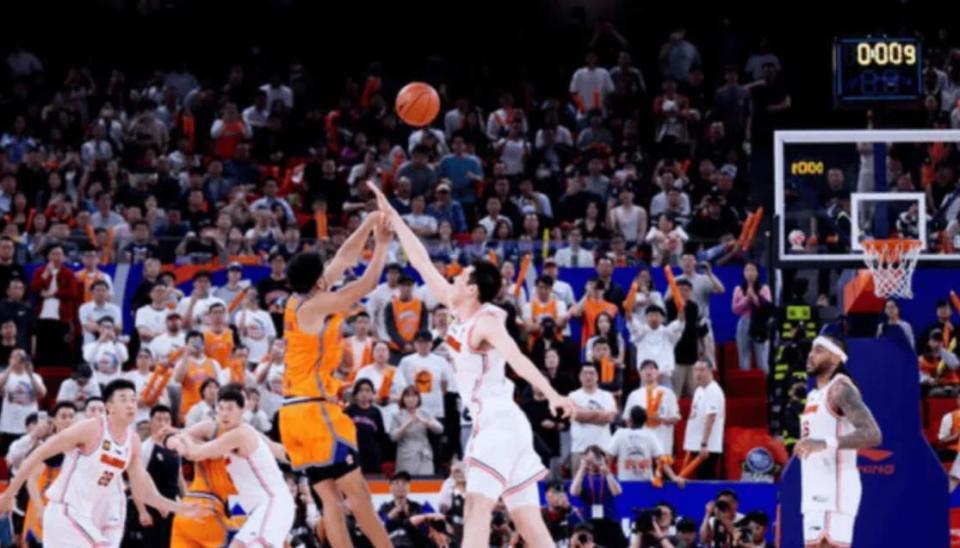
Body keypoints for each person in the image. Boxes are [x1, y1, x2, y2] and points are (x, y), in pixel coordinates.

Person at [370, 181, 575, 548]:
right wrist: (394, 216)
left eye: (462, 275)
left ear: (473, 289)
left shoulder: (487, 322)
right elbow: (420, 260)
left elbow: (517, 358)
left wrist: (552, 394)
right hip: (502, 425)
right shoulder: (457, 307)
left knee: (477, 507)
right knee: (530, 525)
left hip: (498, 422)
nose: (454, 276)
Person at [280, 212, 393, 548]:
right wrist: (382, 245)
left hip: (292, 416)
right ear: (317, 282)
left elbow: (343, 258)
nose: (327, 275)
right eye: (323, 275)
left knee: (330, 498)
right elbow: (365, 285)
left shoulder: (297, 300)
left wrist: (368, 223)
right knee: (358, 496)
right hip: (314, 412)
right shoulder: (315, 306)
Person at [0, 380, 206, 546]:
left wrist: (180, 508)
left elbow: (143, 491)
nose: (130, 404)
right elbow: (38, 454)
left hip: (91, 516)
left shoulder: (132, 440)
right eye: (123, 399)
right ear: (109, 407)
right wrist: (9, 495)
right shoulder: (92, 428)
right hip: (66, 512)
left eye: (133, 399)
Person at [169, 384, 294, 547]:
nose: (224, 414)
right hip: (249, 504)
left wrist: (183, 438)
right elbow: (182, 440)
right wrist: (177, 438)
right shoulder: (212, 427)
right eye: (221, 408)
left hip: (271, 502)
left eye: (230, 408)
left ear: (243, 409)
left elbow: (195, 452)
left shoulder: (241, 433)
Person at [795, 335, 883, 547]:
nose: (811, 355)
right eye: (811, 350)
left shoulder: (840, 388)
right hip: (813, 491)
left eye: (819, 350)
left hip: (834, 493)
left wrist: (825, 443)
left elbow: (872, 434)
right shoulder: (814, 395)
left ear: (836, 358)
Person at [21, 401, 76, 546]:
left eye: (71, 416)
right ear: (54, 421)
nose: (68, 420)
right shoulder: (50, 446)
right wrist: (41, 510)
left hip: (70, 508)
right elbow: (31, 482)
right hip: (45, 504)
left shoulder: (81, 446)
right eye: (63, 416)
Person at [134, 405, 182, 548]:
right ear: (150, 422)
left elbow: (179, 477)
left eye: (166, 420)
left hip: (172, 504)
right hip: (152, 506)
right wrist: (142, 511)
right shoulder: (145, 447)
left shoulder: (175, 447)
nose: (163, 424)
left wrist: (186, 500)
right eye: (159, 419)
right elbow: (136, 480)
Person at [31, 243, 81, 366]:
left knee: (61, 348)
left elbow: (73, 292)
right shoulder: (40, 271)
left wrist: (54, 294)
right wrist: (46, 274)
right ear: (48, 256)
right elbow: (34, 288)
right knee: (43, 347)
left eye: (59, 254)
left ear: (63, 257)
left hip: (62, 318)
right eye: (53, 254)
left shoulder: (68, 273)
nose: (56, 257)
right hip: (42, 316)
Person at [607, 406, 685, 485]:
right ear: (645, 421)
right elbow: (661, 459)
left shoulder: (620, 434)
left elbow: (609, 456)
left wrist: (606, 475)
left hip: (625, 484)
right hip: (646, 485)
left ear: (630, 420)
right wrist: (673, 477)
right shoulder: (650, 434)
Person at [622, 359, 681, 457]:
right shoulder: (634, 395)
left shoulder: (668, 393)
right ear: (640, 373)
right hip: (641, 447)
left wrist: (660, 419)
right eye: (645, 369)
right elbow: (627, 419)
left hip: (662, 444)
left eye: (651, 368)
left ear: (657, 372)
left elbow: (675, 418)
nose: (648, 372)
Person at [570, 445, 625, 548]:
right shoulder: (583, 477)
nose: (593, 462)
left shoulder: (609, 476)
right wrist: (582, 468)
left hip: (609, 521)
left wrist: (607, 471)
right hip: (588, 523)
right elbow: (574, 491)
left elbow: (617, 492)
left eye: (596, 458)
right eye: (589, 459)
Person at [569, 363, 618, 472]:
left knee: (605, 482)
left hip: (603, 449)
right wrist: (599, 414)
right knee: (577, 483)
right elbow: (576, 415)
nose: (588, 376)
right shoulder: (573, 396)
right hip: (579, 449)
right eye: (585, 373)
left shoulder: (607, 395)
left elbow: (610, 418)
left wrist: (584, 414)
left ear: (597, 377)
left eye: (592, 373)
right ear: (580, 377)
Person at [682, 360, 727, 480]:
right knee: (699, 476)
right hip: (697, 443)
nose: (698, 373)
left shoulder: (713, 390)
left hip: (708, 446)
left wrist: (704, 443)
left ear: (710, 371)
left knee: (706, 477)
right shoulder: (699, 390)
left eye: (702, 370)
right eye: (696, 370)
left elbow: (711, 417)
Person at [172, 330, 227, 423]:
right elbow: (177, 379)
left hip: (210, 411)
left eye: (198, 342)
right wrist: (186, 354)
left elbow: (221, 387)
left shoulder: (213, 363)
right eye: (192, 343)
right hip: (189, 410)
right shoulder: (182, 363)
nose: (196, 345)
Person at [390, 385, 444, 476]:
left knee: (426, 481)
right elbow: (393, 437)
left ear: (418, 398)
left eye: (414, 396)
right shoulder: (397, 415)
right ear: (403, 399)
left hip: (424, 454)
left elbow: (440, 429)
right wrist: (407, 423)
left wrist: (426, 422)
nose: (411, 399)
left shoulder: (424, 413)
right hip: (406, 455)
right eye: (407, 396)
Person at [0, 350, 46, 455]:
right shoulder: (4, 375)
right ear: (10, 359)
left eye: (21, 357)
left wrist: (30, 374)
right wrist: (10, 367)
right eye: (14, 357)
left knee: (28, 456)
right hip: (9, 425)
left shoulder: (35, 376)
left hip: (29, 426)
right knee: (8, 456)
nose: (18, 360)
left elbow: (42, 393)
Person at [628, 304, 685, 386]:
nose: (654, 318)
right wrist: (628, 311)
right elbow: (631, 322)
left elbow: (680, 323)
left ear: (663, 318)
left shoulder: (668, 333)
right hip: (646, 381)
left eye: (657, 315)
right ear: (646, 318)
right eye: (651, 315)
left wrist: (681, 311)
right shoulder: (641, 333)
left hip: (664, 380)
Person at [732, 262, 773, 373]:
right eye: (747, 270)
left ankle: (764, 381)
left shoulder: (764, 288)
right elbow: (735, 309)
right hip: (744, 323)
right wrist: (746, 299)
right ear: (744, 273)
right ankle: (746, 381)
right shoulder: (738, 289)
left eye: (752, 270)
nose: (750, 273)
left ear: (757, 273)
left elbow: (767, 308)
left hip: (760, 324)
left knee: (762, 357)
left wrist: (754, 297)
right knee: (744, 355)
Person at [345, 378, 388, 475]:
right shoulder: (349, 411)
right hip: (354, 454)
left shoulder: (375, 412)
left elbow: (381, 436)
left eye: (368, 390)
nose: (364, 393)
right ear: (355, 394)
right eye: (360, 390)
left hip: (372, 456)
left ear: (372, 393)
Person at [385, 275, 429, 359]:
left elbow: (424, 326)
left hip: (416, 348)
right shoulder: (391, 305)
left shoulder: (420, 304)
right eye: (403, 285)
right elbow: (391, 329)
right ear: (399, 287)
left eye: (409, 285)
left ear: (412, 287)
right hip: (396, 349)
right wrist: (403, 344)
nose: (406, 288)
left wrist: (415, 342)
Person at [378, 471, 424, 546]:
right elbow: (376, 531)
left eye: (404, 483)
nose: (401, 486)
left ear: (409, 487)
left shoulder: (417, 507)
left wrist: (410, 518)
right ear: (390, 488)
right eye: (396, 483)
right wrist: (389, 517)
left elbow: (426, 532)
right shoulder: (384, 509)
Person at [78, 280, 122, 345]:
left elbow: (118, 328)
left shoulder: (115, 309)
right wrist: (108, 328)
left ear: (107, 292)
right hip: (90, 345)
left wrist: (95, 323)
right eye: (98, 290)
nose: (101, 293)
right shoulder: (84, 308)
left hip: (110, 345)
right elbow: (88, 327)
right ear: (92, 292)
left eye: (103, 290)